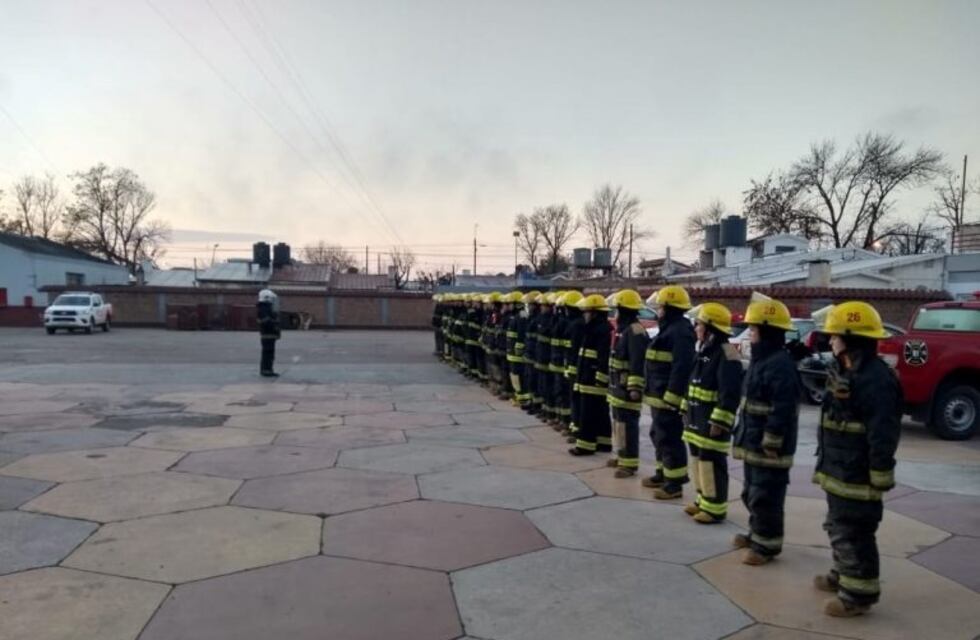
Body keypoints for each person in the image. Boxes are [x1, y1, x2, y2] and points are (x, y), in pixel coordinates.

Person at [813, 301, 901, 618]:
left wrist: (880, 472)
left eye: (836, 336)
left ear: (852, 339)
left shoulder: (876, 379)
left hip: (858, 474)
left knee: (854, 530)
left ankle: (857, 595)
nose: (830, 340)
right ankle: (843, 574)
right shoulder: (848, 370)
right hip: (841, 469)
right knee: (838, 525)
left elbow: (883, 432)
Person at [731, 295, 800, 565]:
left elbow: (783, 408)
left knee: (766, 496)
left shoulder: (780, 365)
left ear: (768, 332)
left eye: (754, 329)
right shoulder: (762, 360)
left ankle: (766, 546)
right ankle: (756, 534)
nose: (750, 334)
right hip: (753, 441)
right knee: (751, 492)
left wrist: (772, 440)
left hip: (769, 448)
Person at [682, 302, 743, 522]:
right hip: (697, 418)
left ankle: (715, 508)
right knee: (698, 460)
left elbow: (730, 393)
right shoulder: (705, 349)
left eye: (699, 324)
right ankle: (703, 500)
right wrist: (685, 408)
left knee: (711, 462)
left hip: (711, 422)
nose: (696, 328)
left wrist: (720, 422)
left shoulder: (727, 353)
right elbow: (692, 382)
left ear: (710, 328)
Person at [642, 286, 696, 499]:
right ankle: (663, 473)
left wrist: (673, 396)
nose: (658, 310)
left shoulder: (680, 332)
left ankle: (674, 483)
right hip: (658, 393)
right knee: (658, 434)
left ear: (669, 308)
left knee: (669, 437)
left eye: (661, 307)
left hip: (667, 397)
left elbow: (681, 367)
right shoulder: (670, 328)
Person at [606, 289, 649, 478]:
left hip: (627, 389)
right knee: (618, 424)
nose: (615, 314)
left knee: (627, 425)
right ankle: (621, 455)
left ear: (624, 310)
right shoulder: (623, 330)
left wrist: (635, 387)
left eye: (617, 310)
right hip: (617, 387)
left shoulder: (635, 331)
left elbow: (637, 362)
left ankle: (629, 464)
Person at [569, 293, 613, 456]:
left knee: (587, 413)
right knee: (600, 412)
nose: (584, 315)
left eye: (587, 311)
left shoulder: (600, 330)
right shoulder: (594, 328)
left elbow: (603, 357)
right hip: (588, 376)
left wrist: (600, 378)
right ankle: (603, 443)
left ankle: (585, 446)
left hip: (592, 379)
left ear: (594, 313)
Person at [560, 291, 586, 441]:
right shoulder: (577, 324)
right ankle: (572, 427)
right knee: (573, 400)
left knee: (575, 400)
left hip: (575, 369)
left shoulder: (576, 325)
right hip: (574, 367)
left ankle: (575, 430)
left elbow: (573, 350)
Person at [534, 293, 557, 423]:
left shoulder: (551, 321)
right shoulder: (541, 319)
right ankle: (544, 410)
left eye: (544, 305)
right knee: (542, 386)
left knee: (549, 388)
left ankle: (550, 414)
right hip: (540, 357)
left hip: (548, 358)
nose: (541, 307)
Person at [522, 292, 542, 414]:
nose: (528, 307)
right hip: (529, 353)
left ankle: (536, 405)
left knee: (535, 381)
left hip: (535, 354)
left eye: (530, 305)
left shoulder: (538, 319)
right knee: (529, 379)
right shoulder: (531, 317)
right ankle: (531, 401)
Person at [257, 288, 281, 377]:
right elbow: (266, 321)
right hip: (267, 334)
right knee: (267, 353)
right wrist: (274, 325)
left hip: (270, 334)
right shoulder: (264, 308)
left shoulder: (266, 307)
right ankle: (266, 370)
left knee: (269, 353)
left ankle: (268, 369)